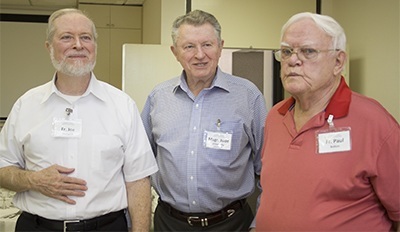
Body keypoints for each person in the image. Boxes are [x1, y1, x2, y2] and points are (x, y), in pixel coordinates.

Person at [0, 8, 158, 232]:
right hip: (37, 227)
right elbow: (2, 169)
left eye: (86, 37)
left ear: (95, 46)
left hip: (107, 227)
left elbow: (139, 181)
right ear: (49, 47)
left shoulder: (123, 106)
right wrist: (34, 180)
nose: (78, 45)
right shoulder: (26, 106)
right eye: (66, 37)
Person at [256, 12, 400, 231]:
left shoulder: (375, 122)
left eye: (308, 51)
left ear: (338, 62)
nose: (293, 60)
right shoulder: (276, 116)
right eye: (286, 51)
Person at [141, 9, 267, 232]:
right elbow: (139, 164)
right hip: (170, 223)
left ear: (220, 47)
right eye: (189, 46)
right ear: (175, 52)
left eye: (207, 44)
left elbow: (267, 170)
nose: (200, 55)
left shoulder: (248, 96)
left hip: (232, 224)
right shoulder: (158, 98)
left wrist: (259, 225)